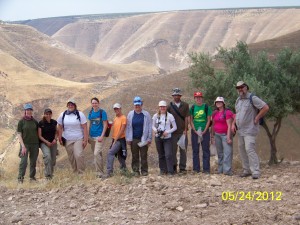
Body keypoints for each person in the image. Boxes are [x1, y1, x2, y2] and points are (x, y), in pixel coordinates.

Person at [231, 81, 269, 179]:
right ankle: (246, 170)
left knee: (249, 149)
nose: (240, 89)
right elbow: (237, 113)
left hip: (250, 129)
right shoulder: (238, 100)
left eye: (242, 87)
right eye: (238, 88)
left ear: (246, 87)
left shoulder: (253, 98)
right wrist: (233, 123)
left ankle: (255, 171)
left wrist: (257, 117)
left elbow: (265, 107)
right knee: (242, 149)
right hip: (240, 130)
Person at [57, 99, 88, 174]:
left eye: (72, 104)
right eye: (69, 104)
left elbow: (85, 127)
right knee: (71, 157)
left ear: (75, 105)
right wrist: (60, 138)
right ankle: (75, 172)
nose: (70, 106)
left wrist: (85, 140)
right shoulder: (63, 115)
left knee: (79, 155)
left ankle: (81, 173)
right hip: (67, 139)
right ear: (67, 105)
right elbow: (60, 127)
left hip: (78, 138)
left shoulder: (80, 114)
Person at [126, 96, 152, 176]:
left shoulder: (146, 114)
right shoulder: (130, 114)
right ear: (134, 105)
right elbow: (128, 127)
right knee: (135, 155)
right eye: (136, 105)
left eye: (138, 105)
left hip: (143, 138)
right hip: (134, 138)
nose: (137, 106)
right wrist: (128, 138)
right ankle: (135, 171)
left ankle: (144, 171)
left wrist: (149, 138)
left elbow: (150, 126)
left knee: (144, 155)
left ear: (141, 104)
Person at [167, 88, 190, 174]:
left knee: (183, 150)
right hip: (172, 133)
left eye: (178, 95)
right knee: (173, 151)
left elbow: (187, 117)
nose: (176, 96)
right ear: (173, 96)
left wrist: (185, 129)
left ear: (180, 96)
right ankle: (174, 167)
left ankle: (182, 168)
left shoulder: (185, 105)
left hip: (182, 132)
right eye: (175, 95)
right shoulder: (169, 106)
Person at [190, 92, 212, 174]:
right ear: (194, 99)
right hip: (195, 132)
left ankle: (206, 169)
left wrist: (205, 130)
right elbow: (190, 120)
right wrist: (194, 129)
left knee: (205, 150)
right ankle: (196, 169)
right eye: (196, 97)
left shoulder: (206, 107)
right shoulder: (192, 108)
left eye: (199, 97)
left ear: (202, 98)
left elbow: (209, 120)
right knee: (195, 150)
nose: (198, 99)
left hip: (204, 132)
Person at [152, 100, 177, 175]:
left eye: (164, 106)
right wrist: (156, 130)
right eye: (161, 107)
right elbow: (152, 125)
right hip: (158, 137)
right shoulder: (155, 116)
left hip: (167, 138)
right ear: (159, 107)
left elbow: (175, 127)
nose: (162, 108)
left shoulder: (170, 116)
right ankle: (162, 170)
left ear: (166, 107)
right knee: (161, 154)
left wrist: (167, 132)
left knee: (168, 154)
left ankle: (170, 171)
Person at [16, 103, 39, 183]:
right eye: (27, 110)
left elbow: (38, 133)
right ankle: (20, 178)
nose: (29, 111)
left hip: (35, 144)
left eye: (30, 110)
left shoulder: (35, 122)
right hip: (25, 144)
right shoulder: (21, 122)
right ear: (25, 111)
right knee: (23, 162)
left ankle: (32, 178)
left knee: (33, 162)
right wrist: (22, 146)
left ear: (31, 111)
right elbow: (19, 134)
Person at [211, 97, 234, 176]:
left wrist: (228, 137)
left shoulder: (227, 112)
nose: (218, 103)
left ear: (223, 103)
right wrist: (212, 136)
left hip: (225, 135)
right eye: (217, 102)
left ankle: (227, 170)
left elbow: (229, 125)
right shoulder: (215, 113)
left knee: (227, 152)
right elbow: (213, 125)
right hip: (217, 134)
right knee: (220, 153)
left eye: (220, 102)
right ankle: (220, 170)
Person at [88, 97, 108, 178]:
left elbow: (105, 124)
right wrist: (88, 136)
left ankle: (99, 173)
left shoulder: (102, 112)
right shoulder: (90, 112)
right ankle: (100, 172)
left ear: (98, 103)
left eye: (95, 103)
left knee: (96, 153)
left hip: (99, 136)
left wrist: (102, 136)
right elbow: (90, 124)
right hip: (92, 137)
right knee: (97, 154)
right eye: (93, 103)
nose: (94, 104)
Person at [105, 103, 127, 177]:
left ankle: (109, 172)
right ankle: (124, 171)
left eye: (117, 108)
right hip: (115, 139)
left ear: (120, 108)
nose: (116, 110)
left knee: (110, 153)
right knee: (120, 155)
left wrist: (115, 140)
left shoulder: (123, 118)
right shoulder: (115, 118)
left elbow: (122, 130)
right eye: (115, 109)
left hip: (120, 140)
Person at [38, 108, 58, 180]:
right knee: (47, 157)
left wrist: (55, 139)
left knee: (53, 160)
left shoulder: (54, 122)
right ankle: (48, 176)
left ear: (51, 114)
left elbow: (56, 132)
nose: (48, 115)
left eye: (49, 114)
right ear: (44, 114)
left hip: (53, 142)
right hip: (44, 143)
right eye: (47, 114)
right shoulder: (41, 123)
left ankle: (51, 175)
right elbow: (39, 135)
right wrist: (47, 142)